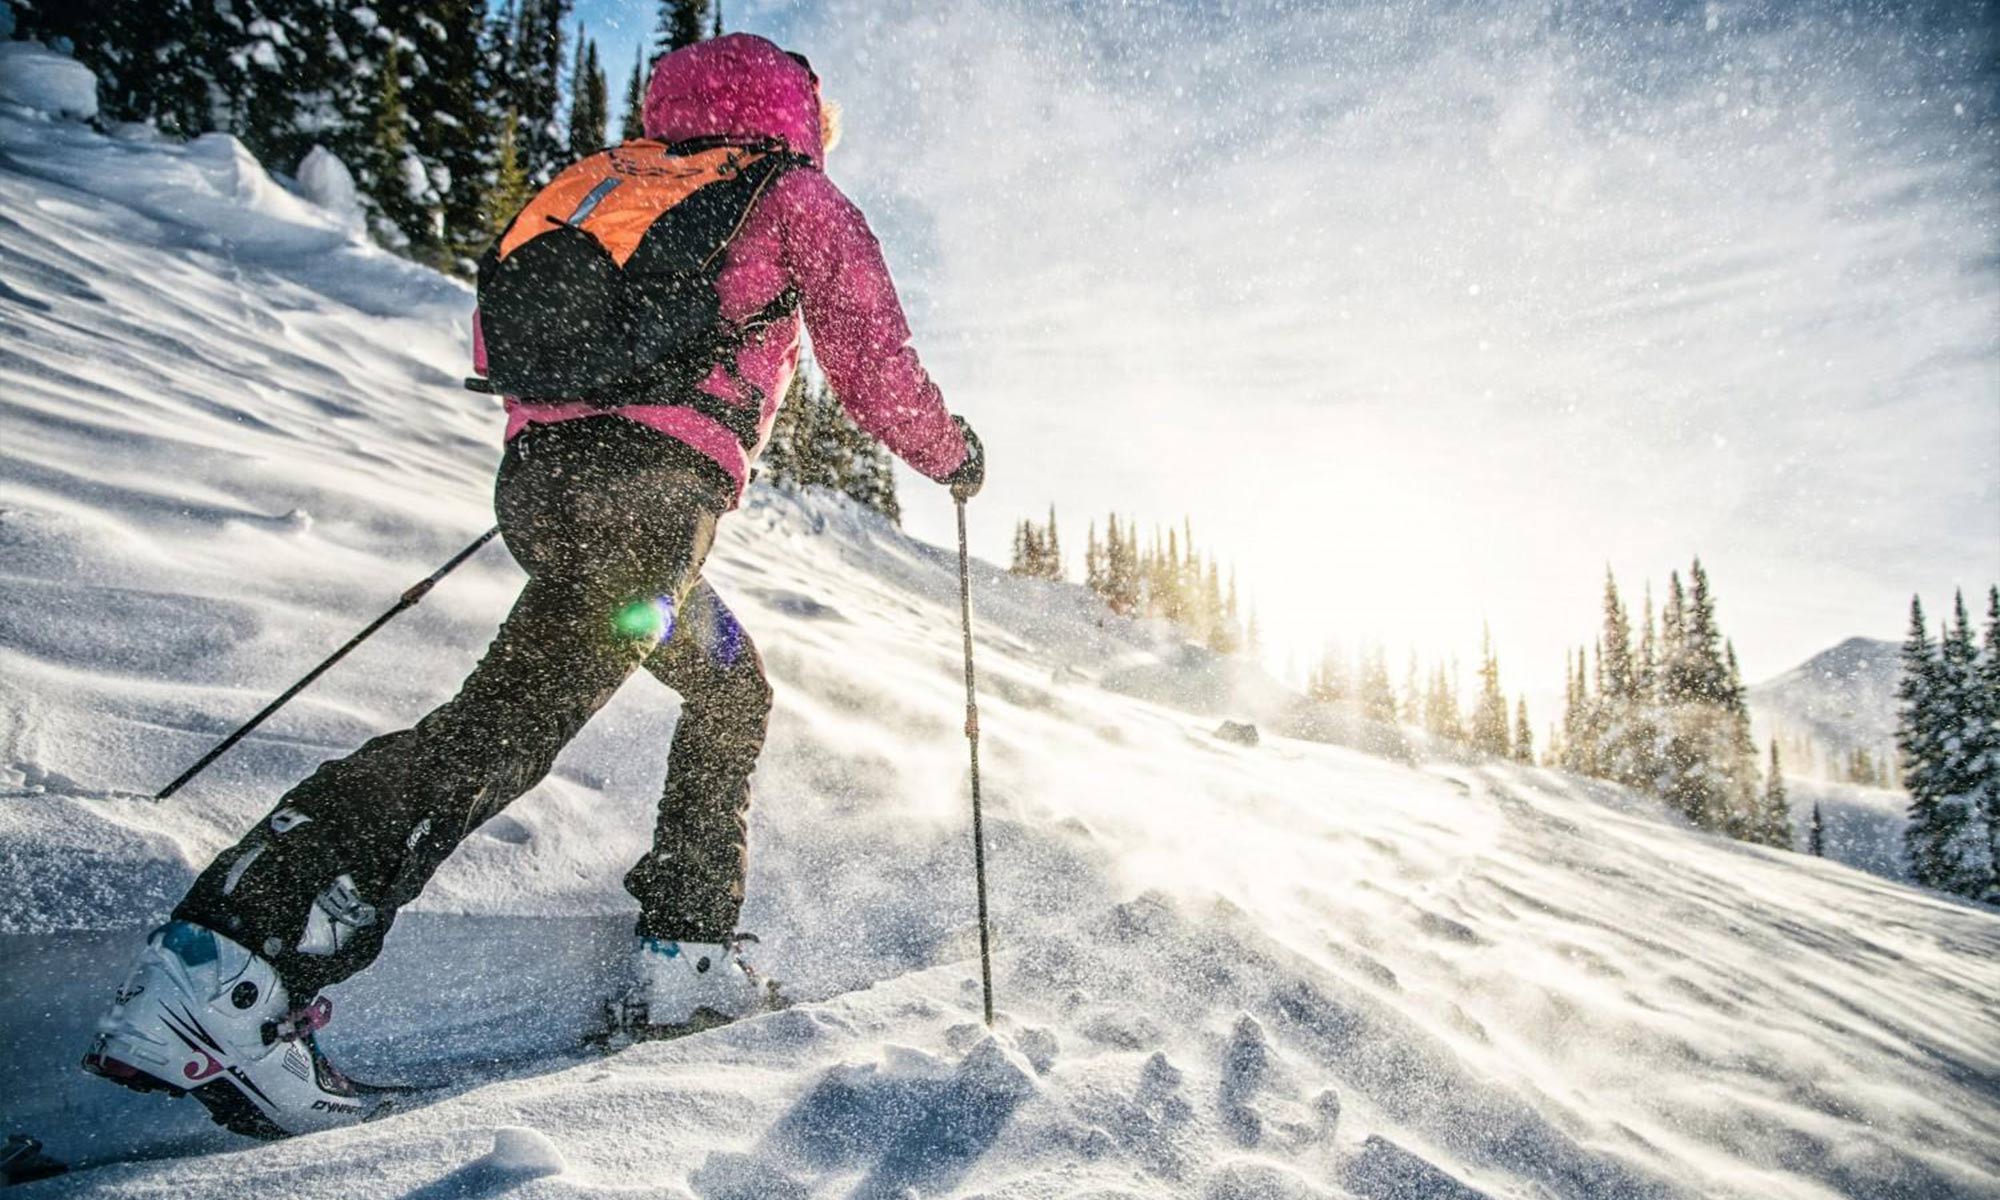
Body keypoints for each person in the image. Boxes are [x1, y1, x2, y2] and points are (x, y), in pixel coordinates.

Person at [83, 33, 984, 1139]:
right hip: (648, 508)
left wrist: (581, 452)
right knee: (495, 735)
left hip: (550, 491)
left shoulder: (605, 179)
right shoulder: (785, 189)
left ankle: (682, 952)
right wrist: (951, 456)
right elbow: (871, 358)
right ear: (795, 111)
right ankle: (228, 966)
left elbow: (505, 331)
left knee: (727, 687)